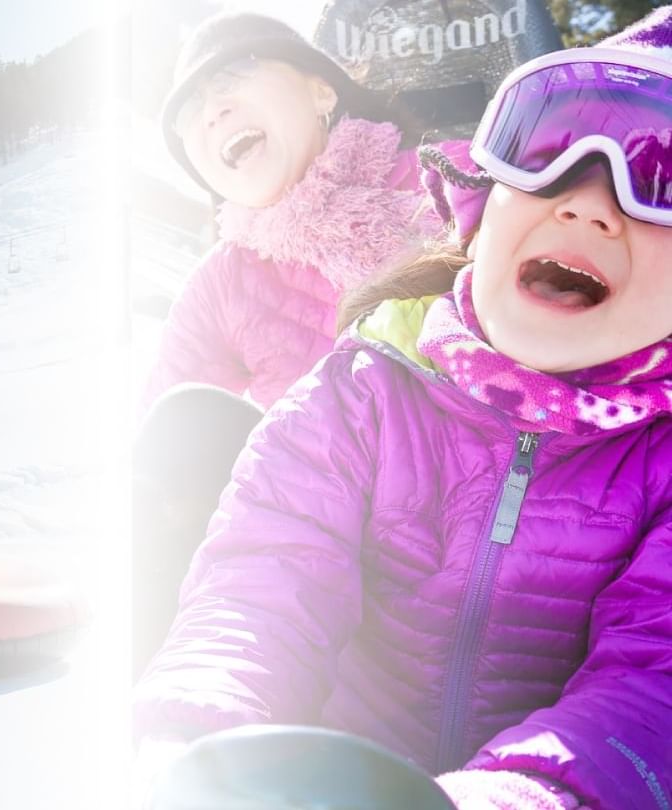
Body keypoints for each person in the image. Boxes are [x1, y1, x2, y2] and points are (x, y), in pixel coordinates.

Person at [134, 9, 672, 809]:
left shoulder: (429, 182)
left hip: (543, 779)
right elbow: (265, 569)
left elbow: (651, 682)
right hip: (336, 602)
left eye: (655, 181)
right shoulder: (358, 384)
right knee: (196, 440)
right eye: (549, 159)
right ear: (479, 214)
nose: (588, 205)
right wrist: (207, 741)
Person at [132, 10, 464, 675]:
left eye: (233, 74)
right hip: (335, 577)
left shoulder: (457, 183)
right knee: (187, 428)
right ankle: (184, 712)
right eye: (188, 115)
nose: (212, 113)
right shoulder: (225, 284)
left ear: (323, 89)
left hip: (502, 539)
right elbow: (163, 456)